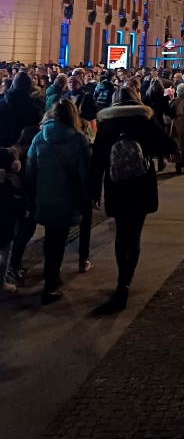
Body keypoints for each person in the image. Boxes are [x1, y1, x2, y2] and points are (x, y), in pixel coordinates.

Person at [92, 87, 177, 311]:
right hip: (141, 184)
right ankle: (125, 282)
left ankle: (122, 278)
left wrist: (93, 191)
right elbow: (167, 145)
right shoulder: (144, 120)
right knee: (135, 234)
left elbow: (98, 160)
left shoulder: (107, 124)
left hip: (116, 184)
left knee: (121, 233)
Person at [26, 99, 92, 304]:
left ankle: (50, 273)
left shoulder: (39, 138)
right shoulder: (80, 140)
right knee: (59, 240)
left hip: (44, 197)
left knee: (50, 238)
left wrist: (32, 195)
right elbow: (85, 173)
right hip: (67, 197)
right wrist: (87, 196)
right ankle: (50, 285)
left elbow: (30, 169)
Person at [7, 125, 40, 283]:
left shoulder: (15, 151)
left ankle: (14, 264)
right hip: (25, 200)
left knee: (19, 230)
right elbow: (29, 179)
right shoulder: (29, 154)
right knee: (25, 231)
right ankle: (13, 265)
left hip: (14, 199)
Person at [0, 71, 42, 147]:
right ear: (29, 88)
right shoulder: (35, 110)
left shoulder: (1, 104)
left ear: (12, 85)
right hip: (23, 152)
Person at [0, 147, 21, 296]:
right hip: (6, 225)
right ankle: (1, 283)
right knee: (4, 254)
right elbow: (16, 206)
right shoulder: (12, 182)